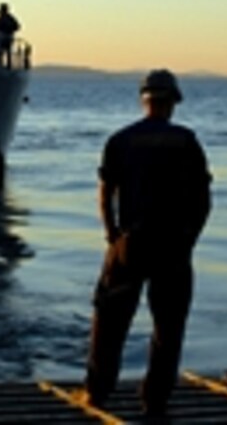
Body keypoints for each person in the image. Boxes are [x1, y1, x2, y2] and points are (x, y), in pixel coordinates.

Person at [83, 69, 212, 418]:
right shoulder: (186, 141)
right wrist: (190, 238)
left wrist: (111, 234)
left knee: (109, 322)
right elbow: (202, 198)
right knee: (169, 327)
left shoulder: (121, 140)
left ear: (144, 100)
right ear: (172, 103)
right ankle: (156, 398)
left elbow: (106, 192)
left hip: (130, 243)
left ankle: (97, 392)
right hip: (173, 245)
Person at [0, 3, 20, 69]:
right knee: (5, 51)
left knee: (3, 50)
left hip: (5, 36)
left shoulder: (3, 18)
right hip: (6, 36)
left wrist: (6, 28)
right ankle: (4, 64)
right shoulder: (8, 18)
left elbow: (17, 26)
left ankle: (2, 64)